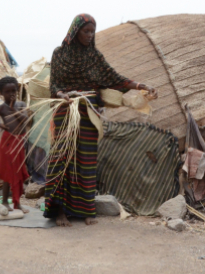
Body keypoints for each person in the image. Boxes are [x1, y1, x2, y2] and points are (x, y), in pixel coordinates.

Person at [44, 14, 157, 227]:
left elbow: (115, 79)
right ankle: (60, 211)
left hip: (89, 114)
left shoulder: (95, 56)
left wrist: (142, 85)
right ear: (75, 31)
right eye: (86, 31)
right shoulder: (60, 54)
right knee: (63, 160)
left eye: (92, 31)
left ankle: (85, 210)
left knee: (86, 161)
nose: (89, 35)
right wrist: (61, 95)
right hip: (66, 111)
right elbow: (54, 85)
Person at [0, 76, 31, 214]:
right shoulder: (0, 108)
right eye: (8, 92)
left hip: (19, 142)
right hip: (8, 142)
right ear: (1, 94)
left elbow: (25, 121)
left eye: (14, 91)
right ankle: (4, 201)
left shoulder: (20, 105)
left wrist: (14, 110)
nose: (11, 94)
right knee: (8, 173)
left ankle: (17, 203)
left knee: (19, 172)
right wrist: (0, 125)